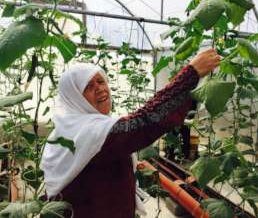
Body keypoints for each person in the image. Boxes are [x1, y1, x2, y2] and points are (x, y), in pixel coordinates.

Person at [40, 48, 220, 218]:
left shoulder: (70, 129)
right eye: (88, 86)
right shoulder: (88, 133)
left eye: (101, 81)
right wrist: (190, 75)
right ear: (74, 97)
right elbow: (143, 123)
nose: (100, 88)